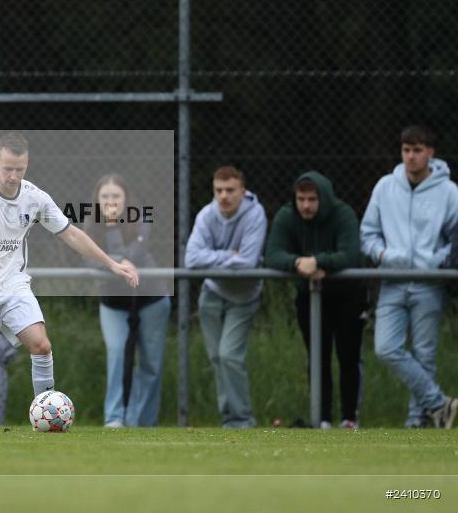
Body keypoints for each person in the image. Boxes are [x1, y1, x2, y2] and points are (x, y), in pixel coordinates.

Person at [0, 133, 139, 411]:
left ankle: (46, 412)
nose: (13, 176)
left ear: (27, 165)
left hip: (13, 286)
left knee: (41, 345)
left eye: (20, 169)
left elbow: (71, 234)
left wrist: (112, 263)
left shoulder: (34, 198)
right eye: (8, 169)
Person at [361, 125, 458, 429]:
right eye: (406, 150)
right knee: (386, 348)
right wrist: (383, 256)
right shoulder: (385, 187)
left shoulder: (450, 192)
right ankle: (440, 404)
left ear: (430, 153)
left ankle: (418, 421)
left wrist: (436, 261)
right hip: (393, 281)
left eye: (417, 150)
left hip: (429, 284)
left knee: (425, 353)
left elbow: (454, 239)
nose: (411, 157)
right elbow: (367, 233)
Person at [265, 171, 366, 429]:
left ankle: (349, 418)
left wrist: (320, 262)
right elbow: (273, 255)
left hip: (347, 296)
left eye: (311, 199)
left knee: (348, 356)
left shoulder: (343, 215)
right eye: (301, 199)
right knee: (317, 357)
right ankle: (322, 418)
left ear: (323, 198)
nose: (306, 205)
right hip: (309, 297)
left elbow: (350, 255)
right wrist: (298, 263)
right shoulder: (287, 216)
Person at [83, 173, 171, 428]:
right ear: (97, 200)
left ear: (126, 198)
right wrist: (117, 255)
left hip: (151, 297)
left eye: (116, 196)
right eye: (105, 196)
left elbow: (139, 252)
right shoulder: (90, 224)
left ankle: (142, 421)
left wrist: (114, 259)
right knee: (117, 353)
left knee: (151, 364)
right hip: (113, 302)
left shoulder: (140, 216)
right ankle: (114, 418)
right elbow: (90, 259)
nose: (111, 201)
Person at [184, 165, 266, 428]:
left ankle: (243, 419)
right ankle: (229, 417)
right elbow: (192, 258)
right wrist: (229, 255)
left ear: (242, 190)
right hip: (212, 293)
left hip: (244, 295)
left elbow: (249, 262)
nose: (224, 196)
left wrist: (216, 258)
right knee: (217, 358)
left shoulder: (255, 214)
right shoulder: (207, 214)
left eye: (230, 190)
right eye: (218, 190)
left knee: (230, 354)